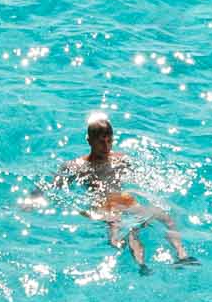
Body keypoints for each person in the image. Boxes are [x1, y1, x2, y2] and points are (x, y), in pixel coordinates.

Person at [57, 113, 191, 267]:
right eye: (101, 142)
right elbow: (55, 185)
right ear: (89, 141)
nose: (107, 147)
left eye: (110, 141)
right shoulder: (76, 166)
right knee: (119, 233)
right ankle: (142, 266)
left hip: (124, 199)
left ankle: (181, 254)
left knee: (165, 217)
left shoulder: (121, 159)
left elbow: (140, 177)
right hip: (103, 204)